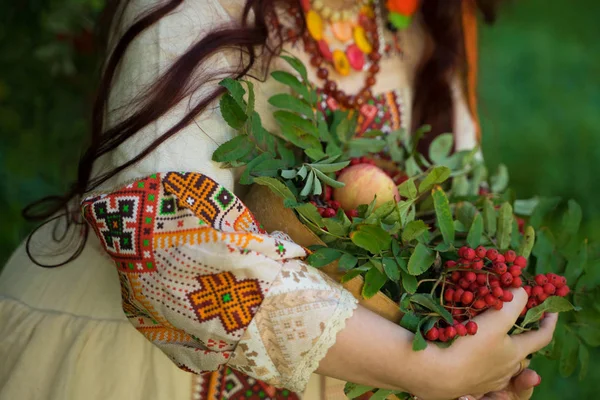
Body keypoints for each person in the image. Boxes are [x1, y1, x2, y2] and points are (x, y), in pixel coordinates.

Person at [0, 1, 556, 399]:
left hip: (359, 367)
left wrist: (469, 349)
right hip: (132, 365)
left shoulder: (419, 20)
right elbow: (161, 233)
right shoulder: (192, 9)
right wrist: (426, 369)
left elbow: (457, 217)